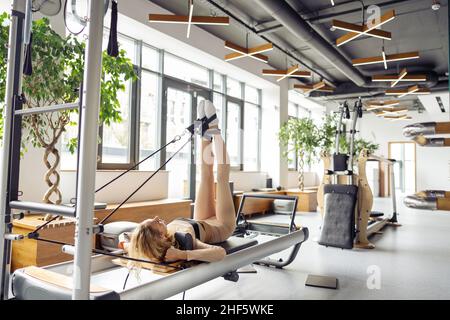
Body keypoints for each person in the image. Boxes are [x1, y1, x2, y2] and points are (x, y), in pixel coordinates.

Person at [121, 100, 236, 266]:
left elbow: (123, 238)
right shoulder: (183, 240)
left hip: (201, 220)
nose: (156, 217)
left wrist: (126, 244)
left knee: (205, 176)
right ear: (158, 236)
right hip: (222, 227)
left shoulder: (150, 241)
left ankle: (205, 133)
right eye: (154, 223)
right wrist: (183, 254)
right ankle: (214, 127)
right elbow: (220, 253)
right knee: (221, 178)